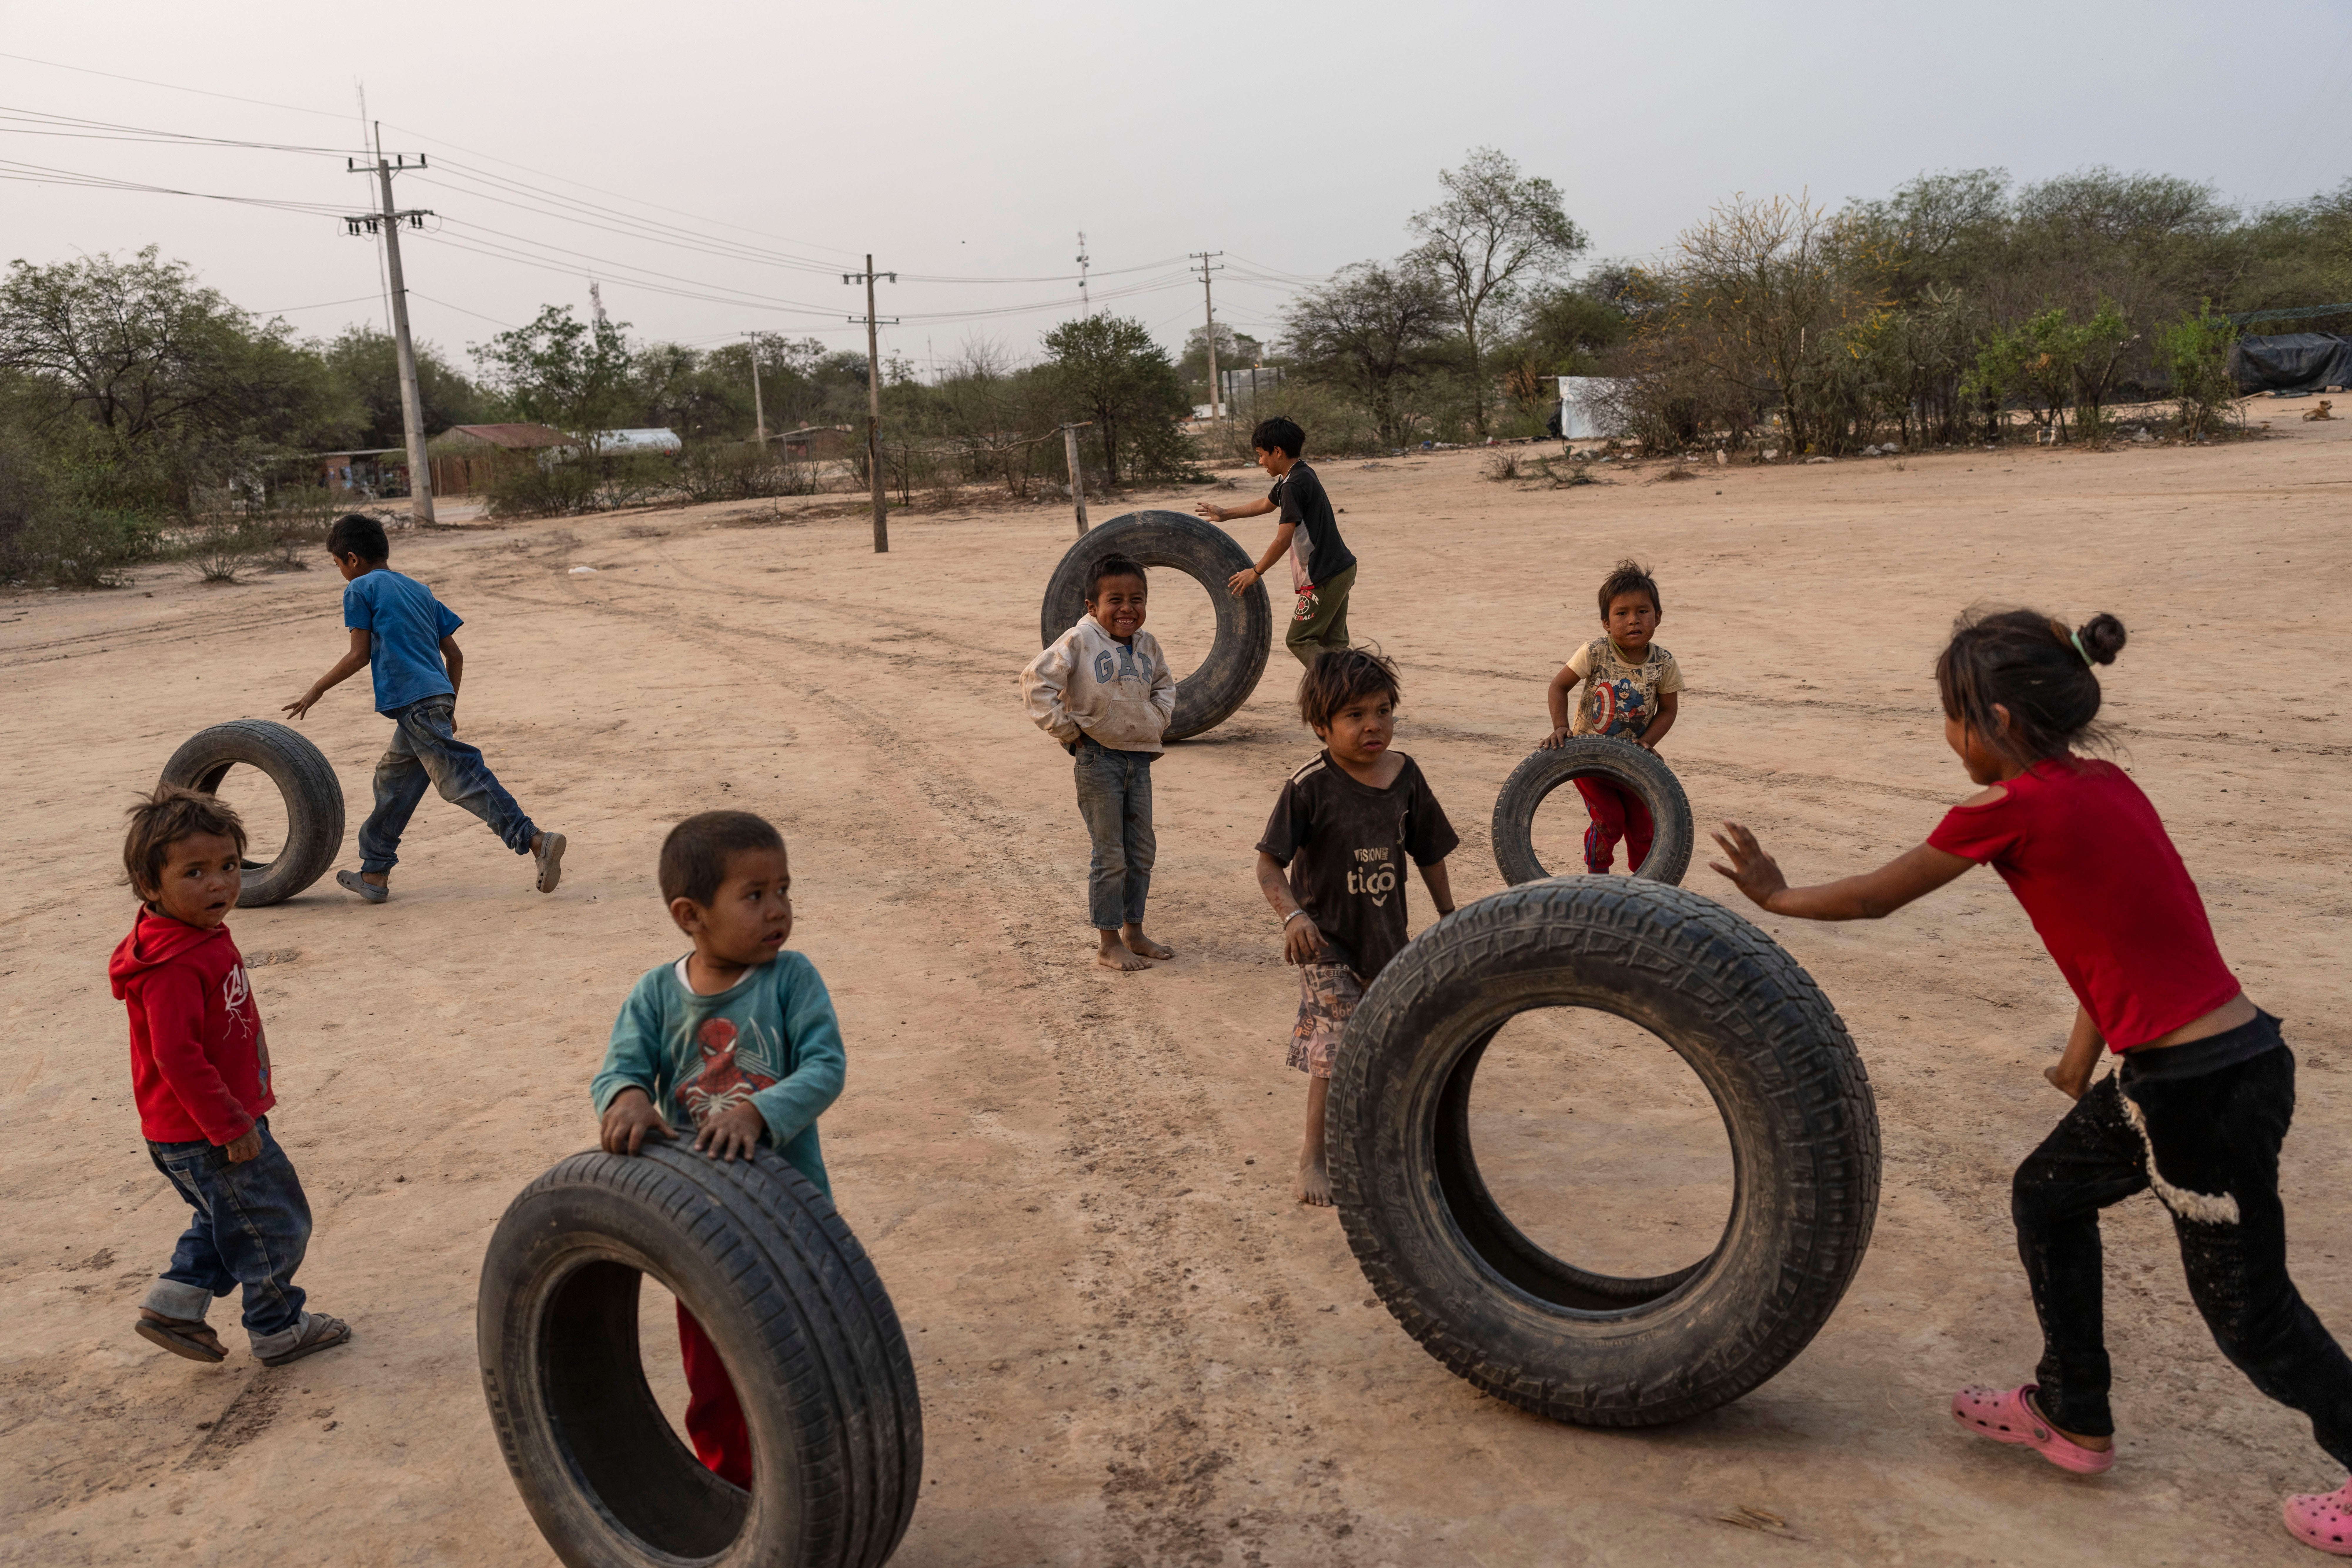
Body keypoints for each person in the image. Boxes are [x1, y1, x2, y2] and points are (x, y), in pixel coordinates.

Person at [1707, 607, 2352, 1557]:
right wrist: (2083, 1056)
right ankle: (2073, 1410)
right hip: (2222, 1061)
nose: (1948, 733)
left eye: (1952, 714)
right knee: (2047, 1194)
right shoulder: (2107, 786)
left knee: (2253, 1316)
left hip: (2195, 1094)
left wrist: (1776, 894)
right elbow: (2123, 928)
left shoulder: (2007, 809)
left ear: (1999, 720)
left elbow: (1878, 895)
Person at [591, 810, 848, 1489]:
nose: (778, 909)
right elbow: (619, 1069)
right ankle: (734, 1491)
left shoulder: (791, 979)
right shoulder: (655, 994)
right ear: (691, 914)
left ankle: (823, 1487)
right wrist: (627, 1099)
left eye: (784, 889)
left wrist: (759, 1110)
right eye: (754, 894)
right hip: (703, 1230)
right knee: (716, 1374)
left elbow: (825, 1066)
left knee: (810, 1362)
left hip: (795, 1218)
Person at [110, 785, 351, 1369]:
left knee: (230, 1218)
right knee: (276, 1222)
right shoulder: (171, 962)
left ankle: (175, 1305)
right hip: (208, 1131)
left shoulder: (194, 929)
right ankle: (278, 1327)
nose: (219, 883)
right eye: (194, 872)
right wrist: (229, 1124)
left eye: (230, 865)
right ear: (149, 885)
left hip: (205, 1125)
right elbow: (177, 1056)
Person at [1254, 647, 1457, 1205]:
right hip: (1327, 943)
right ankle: (1313, 1158)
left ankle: (1391, 1138)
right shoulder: (1309, 786)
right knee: (1334, 1051)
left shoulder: (1406, 775)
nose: (1374, 725)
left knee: (1392, 1042)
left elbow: (1430, 851)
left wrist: (1448, 915)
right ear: (1321, 726)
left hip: (1387, 940)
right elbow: (1269, 864)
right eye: (1355, 715)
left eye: (1384, 711)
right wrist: (1292, 915)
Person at [283, 513, 564, 902]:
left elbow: (359, 655)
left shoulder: (360, 588)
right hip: (431, 700)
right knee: (392, 781)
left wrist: (316, 689)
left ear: (352, 559)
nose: (341, 573)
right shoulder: (419, 589)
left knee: (459, 778)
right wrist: (449, 705)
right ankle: (374, 873)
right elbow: (455, 655)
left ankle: (534, 839)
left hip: (414, 703)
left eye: (337, 565)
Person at [1020, 553, 1178, 972]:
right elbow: (1036, 681)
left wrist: (1157, 718)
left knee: (1141, 850)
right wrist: (1068, 730)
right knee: (1110, 854)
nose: (1128, 609)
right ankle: (1109, 943)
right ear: (1092, 606)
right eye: (1115, 600)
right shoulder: (1079, 640)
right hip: (1098, 759)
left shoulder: (1148, 645)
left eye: (1137, 599)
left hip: (1139, 760)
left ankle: (1134, 932)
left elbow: (1164, 684)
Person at [1539, 559, 1682, 874]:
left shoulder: (1664, 663)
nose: (1633, 620)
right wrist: (1561, 727)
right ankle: (1598, 876)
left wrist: (1647, 742)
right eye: (1622, 613)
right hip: (1588, 758)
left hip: (1633, 762)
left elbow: (1668, 710)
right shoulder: (1594, 652)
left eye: (1643, 611)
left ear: (1658, 616)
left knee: (1643, 826)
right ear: (1606, 622)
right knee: (1609, 820)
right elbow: (1558, 686)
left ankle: (1644, 884)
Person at [1196, 415, 1359, 665]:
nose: (1261, 461)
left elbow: (1283, 540)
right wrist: (1225, 513)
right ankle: (1358, 682)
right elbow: (1267, 504)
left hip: (1325, 574)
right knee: (1333, 644)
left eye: (1262, 455)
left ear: (1278, 451)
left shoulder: (1293, 485)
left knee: (1300, 640)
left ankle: (1340, 683)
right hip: (1342, 570)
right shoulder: (1298, 474)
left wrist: (1256, 572)